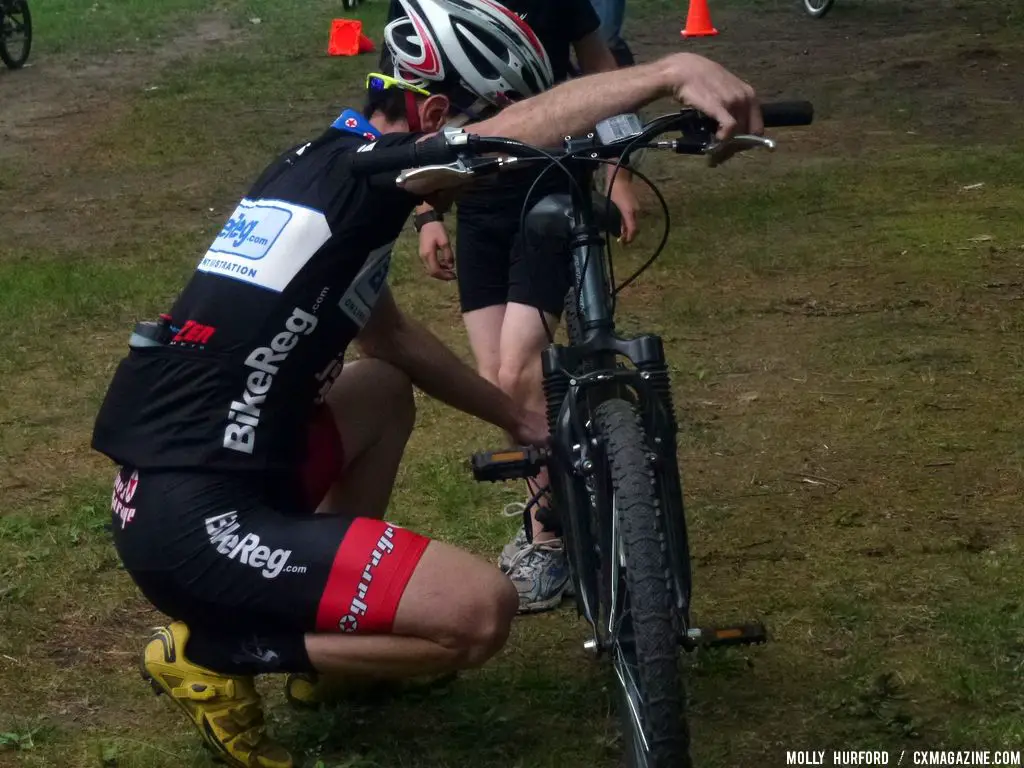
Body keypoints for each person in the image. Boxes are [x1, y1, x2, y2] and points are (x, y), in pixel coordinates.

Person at [90, 0, 762, 763]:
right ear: (435, 113)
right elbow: (501, 137)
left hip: (194, 478)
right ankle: (212, 650)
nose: (488, 175)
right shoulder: (369, 170)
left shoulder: (325, 168)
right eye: (482, 141)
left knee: (378, 388)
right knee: (478, 614)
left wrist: (518, 420)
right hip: (196, 523)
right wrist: (672, 70)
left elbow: (393, 339)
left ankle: (331, 658)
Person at [391, 0, 641, 614]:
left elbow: (600, 68)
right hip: (476, 204)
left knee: (518, 368)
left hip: (550, 189)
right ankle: (553, 514)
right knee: (496, 384)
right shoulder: (420, 10)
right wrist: (428, 214)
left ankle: (549, 535)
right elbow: (407, 103)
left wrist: (616, 167)